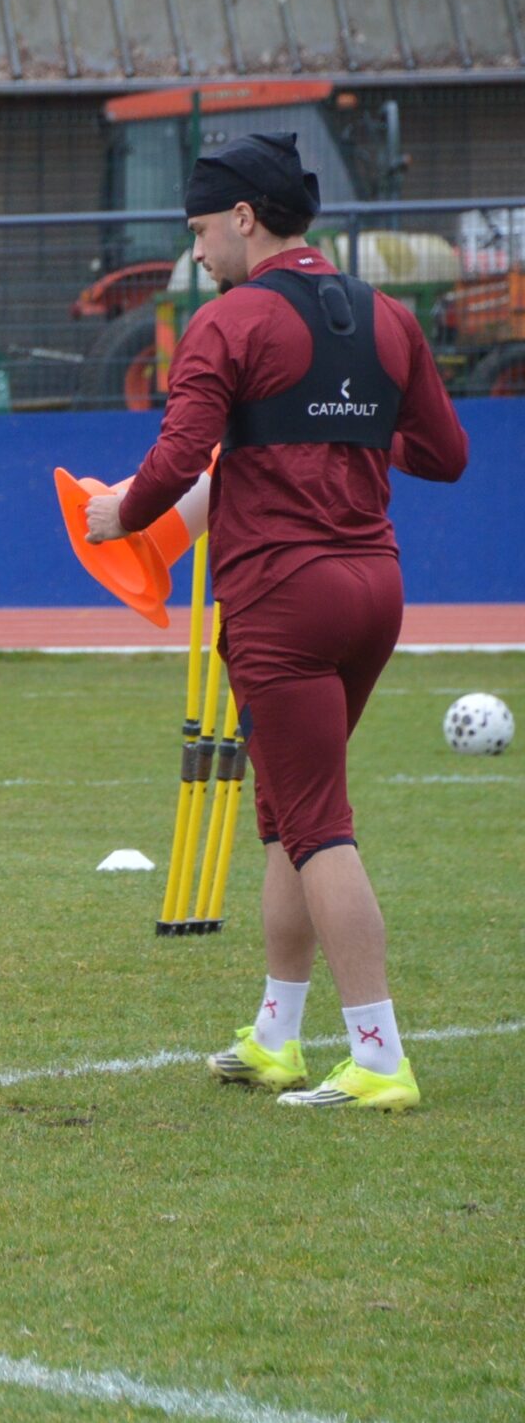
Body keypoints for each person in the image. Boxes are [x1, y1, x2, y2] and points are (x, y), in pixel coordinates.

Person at [84, 132, 467, 1111]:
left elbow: (174, 462)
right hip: (372, 588)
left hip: (280, 598)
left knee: (318, 825)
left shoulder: (230, 320)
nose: (197, 252)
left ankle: (377, 1054)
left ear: (245, 217)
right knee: (285, 820)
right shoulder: (384, 316)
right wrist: (344, 427)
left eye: (202, 229)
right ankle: (276, 1035)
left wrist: (114, 515)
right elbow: (446, 451)